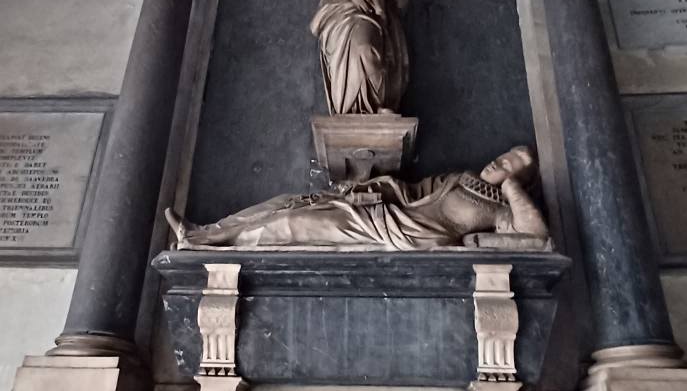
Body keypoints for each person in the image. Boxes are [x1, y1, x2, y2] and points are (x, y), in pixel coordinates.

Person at [165, 145, 548, 253]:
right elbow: (410, 192)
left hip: (402, 234)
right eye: (505, 154)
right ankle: (205, 234)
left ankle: (208, 244)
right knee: (288, 202)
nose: (500, 160)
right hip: (382, 210)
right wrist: (370, 188)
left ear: (517, 179)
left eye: (511, 163)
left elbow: (536, 236)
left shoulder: (499, 210)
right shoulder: (455, 179)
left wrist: (513, 188)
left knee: (294, 223)